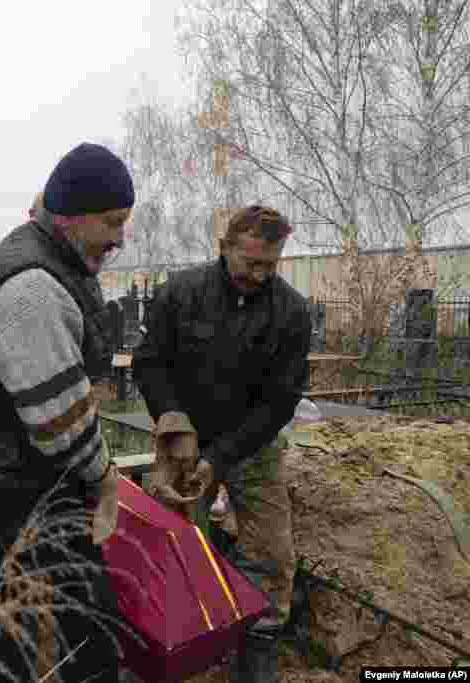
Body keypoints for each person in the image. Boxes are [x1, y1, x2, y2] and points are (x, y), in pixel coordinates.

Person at [0, 142, 133, 682]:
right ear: (72, 217)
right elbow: (60, 422)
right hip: (6, 487)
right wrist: (104, 480)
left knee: (27, 625)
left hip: (17, 474)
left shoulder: (55, 256)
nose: (120, 237)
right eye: (112, 221)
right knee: (56, 633)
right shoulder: (29, 290)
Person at [132, 205, 312, 683]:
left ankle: (256, 649)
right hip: (182, 439)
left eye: (269, 265)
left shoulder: (291, 312)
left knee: (272, 554)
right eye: (250, 262)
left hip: (253, 444)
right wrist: (173, 425)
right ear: (225, 247)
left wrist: (221, 457)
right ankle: (160, 646)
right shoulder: (181, 294)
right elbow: (149, 363)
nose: (259, 274)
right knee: (168, 542)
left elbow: (281, 401)